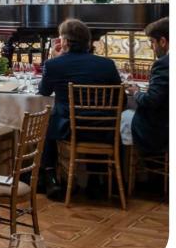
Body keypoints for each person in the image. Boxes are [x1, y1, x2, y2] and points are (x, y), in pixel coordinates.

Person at [38, 18, 121, 201]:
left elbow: (43, 91)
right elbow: (119, 101)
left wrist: (53, 58)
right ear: (88, 42)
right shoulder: (107, 64)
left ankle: (50, 177)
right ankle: (96, 180)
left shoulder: (54, 65)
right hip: (104, 129)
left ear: (65, 42)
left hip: (68, 128)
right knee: (94, 121)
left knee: (47, 121)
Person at [126, 18, 168, 157]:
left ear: (163, 41)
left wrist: (137, 92)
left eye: (152, 42)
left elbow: (151, 101)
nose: (151, 47)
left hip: (161, 131)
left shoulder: (163, 64)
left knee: (124, 117)